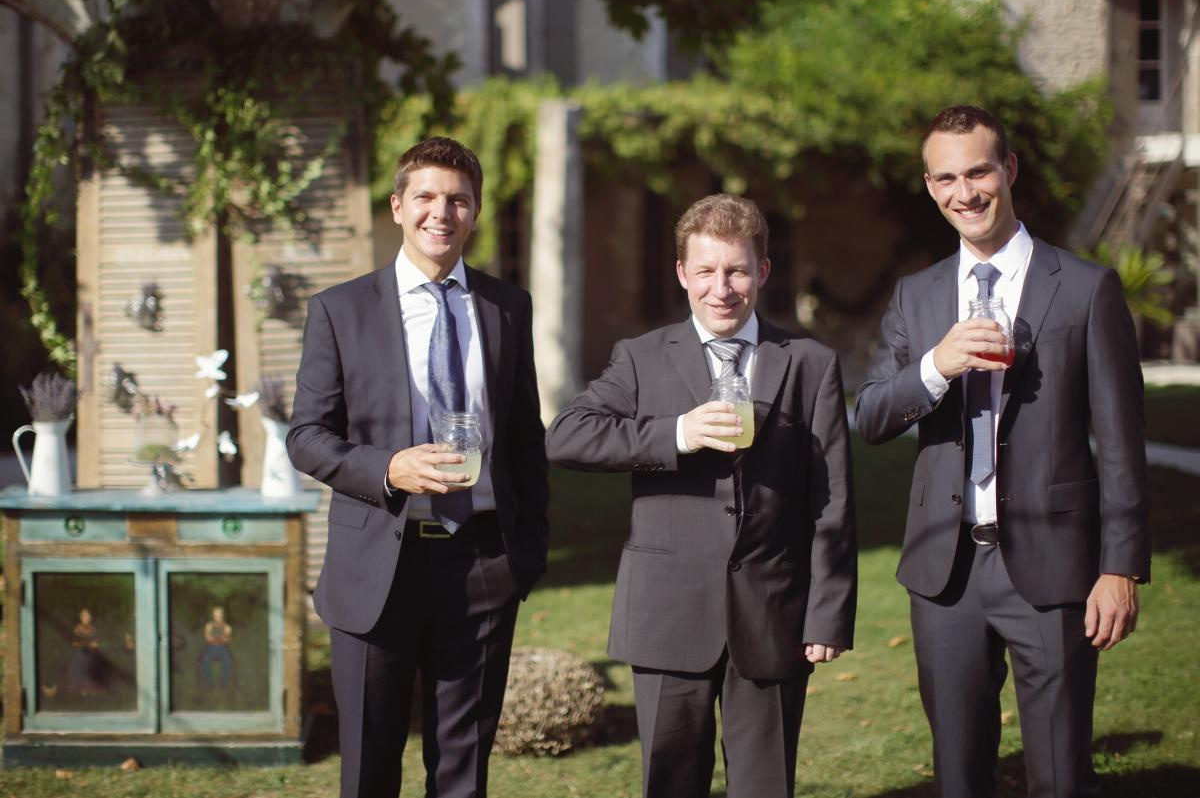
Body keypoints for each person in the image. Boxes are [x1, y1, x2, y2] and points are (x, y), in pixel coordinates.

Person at [855, 105, 1150, 798]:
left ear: (1008, 169)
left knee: (1061, 775)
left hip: (1053, 568)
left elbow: (1122, 443)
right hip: (944, 573)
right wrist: (937, 365)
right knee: (958, 776)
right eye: (947, 178)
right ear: (931, 187)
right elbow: (869, 416)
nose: (966, 192)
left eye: (979, 171)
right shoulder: (916, 295)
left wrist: (1120, 566)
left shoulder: (1084, 288)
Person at [546, 194, 857, 798]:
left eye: (737, 270)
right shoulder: (639, 359)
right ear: (682, 273)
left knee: (766, 786)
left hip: (773, 614)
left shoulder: (810, 364)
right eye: (706, 271)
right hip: (667, 612)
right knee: (670, 783)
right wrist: (677, 434)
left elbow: (833, 497)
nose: (722, 288)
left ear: (762, 272)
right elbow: (566, 437)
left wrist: (828, 611)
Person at [288, 136, 549, 798]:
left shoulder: (506, 306)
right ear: (399, 206)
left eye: (459, 199)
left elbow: (523, 438)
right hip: (378, 566)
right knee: (370, 770)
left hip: (482, 567)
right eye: (427, 197)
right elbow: (307, 438)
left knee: (463, 774)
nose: (443, 211)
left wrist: (528, 552)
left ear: (477, 211)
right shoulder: (339, 311)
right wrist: (388, 467)